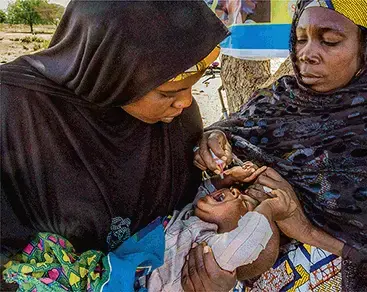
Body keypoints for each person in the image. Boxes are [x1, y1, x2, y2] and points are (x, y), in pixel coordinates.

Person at [194, 0, 367, 290]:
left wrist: (308, 230)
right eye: (300, 39)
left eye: (330, 41)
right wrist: (215, 145)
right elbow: (232, 135)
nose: (306, 54)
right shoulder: (275, 103)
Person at [0, 0, 231, 290]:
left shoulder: (178, 118)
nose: (186, 101)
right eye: (167, 92)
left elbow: (183, 218)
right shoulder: (12, 111)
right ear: (112, 72)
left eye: (191, 87)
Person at [2, 162, 294, 291]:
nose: (235, 194)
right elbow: (202, 192)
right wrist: (224, 180)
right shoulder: (194, 217)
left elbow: (250, 241)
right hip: (105, 271)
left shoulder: (214, 252)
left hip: (122, 288)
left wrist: (267, 209)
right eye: (237, 192)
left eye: (243, 203)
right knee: (47, 253)